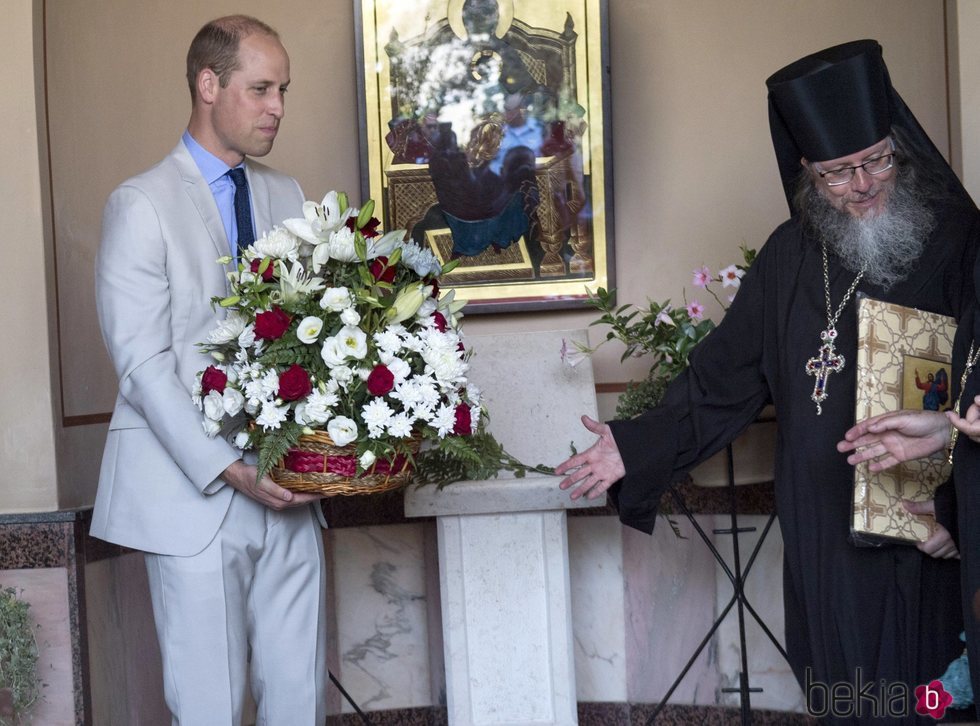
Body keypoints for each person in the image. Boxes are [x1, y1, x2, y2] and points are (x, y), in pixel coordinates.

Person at [555, 39, 980, 723]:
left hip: (929, 536)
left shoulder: (961, 242)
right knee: (847, 700)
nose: (863, 184)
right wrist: (632, 445)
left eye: (876, 160)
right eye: (838, 173)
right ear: (807, 171)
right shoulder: (789, 257)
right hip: (824, 537)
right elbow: (722, 378)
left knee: (928, 703)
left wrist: (960, 511)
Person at [92, 15, 328, 724]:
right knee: (209, 709)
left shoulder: (289, 195)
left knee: (298, 701)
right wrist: (228, 466)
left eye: (282, 89)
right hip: (191, 495)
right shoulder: (139, 205)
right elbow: (141, 364)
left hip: (291, 489)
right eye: (260, 89)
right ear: (207, 84)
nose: (278, 107)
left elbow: (317, 336)